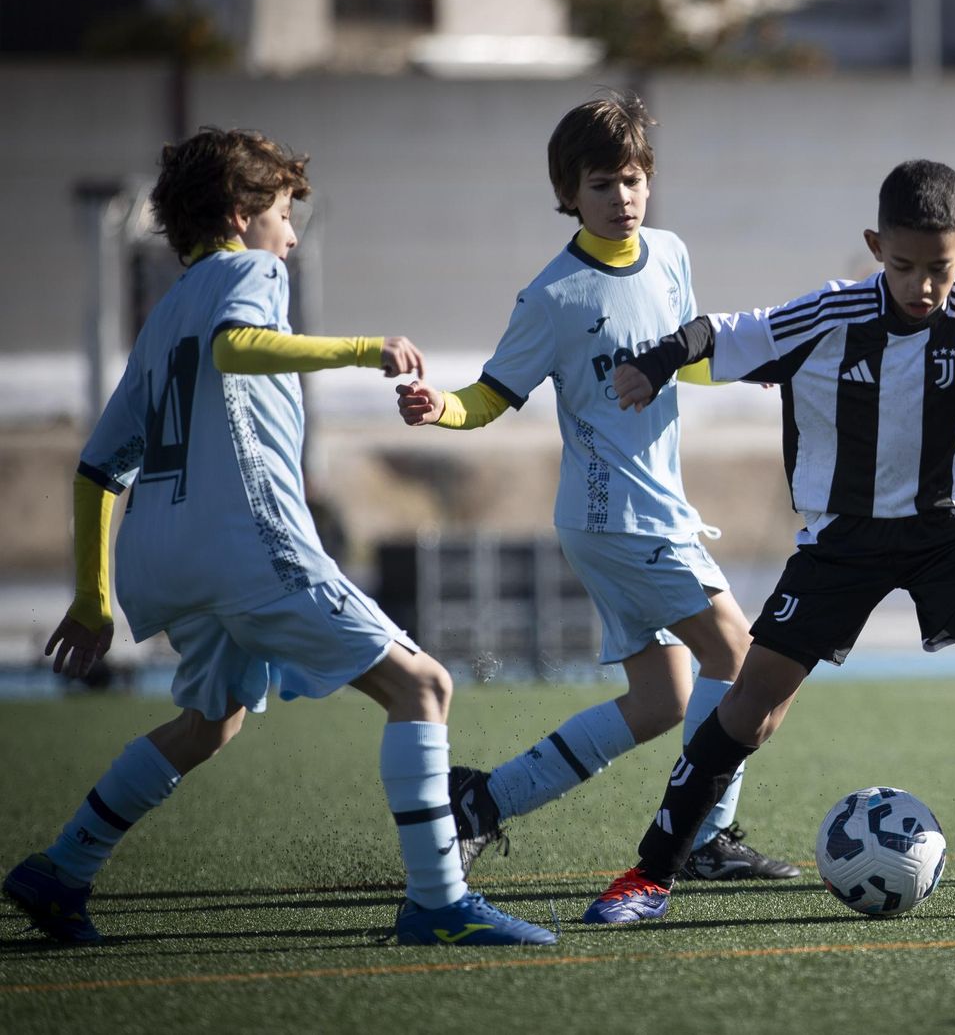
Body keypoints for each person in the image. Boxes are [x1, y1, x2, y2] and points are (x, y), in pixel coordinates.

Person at [2, 128, 554, 947]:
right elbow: (239, 346)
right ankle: (439, 904)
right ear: (239, 215)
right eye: (284, 213)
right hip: (248, 543)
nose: (290, 236)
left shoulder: (159, 320)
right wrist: (364, 349)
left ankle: (62, 869)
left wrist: (93, 598)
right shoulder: (249, 271)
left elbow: (96, 466)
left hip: (166, 554)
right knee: (423, 687)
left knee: (209, 720)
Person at [580, 159, 955, 925]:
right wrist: (654, 361)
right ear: (876, 246)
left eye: (939, 268)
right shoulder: (826, 318)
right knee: (752, 708)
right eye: (903, 266)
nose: (922, 285)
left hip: (951, 536)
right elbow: (720, 332)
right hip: (841, 542)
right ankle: (651, 874)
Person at [395, 92, 799, 883]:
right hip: (618, 518)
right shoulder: (552, 296)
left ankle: (481, 801)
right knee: (743, 659)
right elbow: (489, 397)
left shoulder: (672, 253)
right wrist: (436, 406)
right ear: (568, 194)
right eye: (603, 185)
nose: (623, 198)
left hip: (640, 514)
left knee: (662, 701)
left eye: (634, 179)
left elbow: (686, 354)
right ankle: (706, 841)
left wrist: (756, 368)